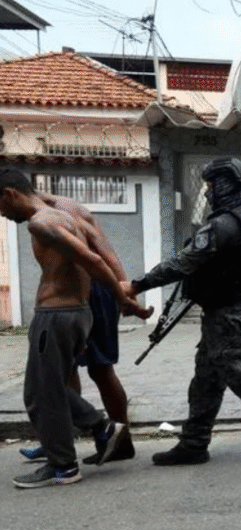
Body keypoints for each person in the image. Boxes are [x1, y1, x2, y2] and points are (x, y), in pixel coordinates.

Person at [124, 157, 241, 465]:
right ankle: (194, 443)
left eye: (211, 186)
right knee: (206, 380)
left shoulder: (223, 225)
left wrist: (138, 285)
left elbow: (182, 263)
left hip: (228, 314)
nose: (208, 192)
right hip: (232, 310)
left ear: (223, 186)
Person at [0, 168, 150, 488]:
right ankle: (97, 432)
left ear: (10, 194)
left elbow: (93, 260)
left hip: (57, 314)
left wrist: (123, 298)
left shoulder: (43, 222)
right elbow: (97, 245)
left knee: (45, 392)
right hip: (75, 313)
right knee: (48, 387)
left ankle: (65, 464)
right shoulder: (65, 211)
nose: (2, 213)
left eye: (0, 206)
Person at [18, 192, 137, 464]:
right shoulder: (38, 214)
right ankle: (58, 440)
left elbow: (102, 253)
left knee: (100, 368)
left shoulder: (64, 209)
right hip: (80, 296)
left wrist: (124, 293)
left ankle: (119, 440)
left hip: (92, 292)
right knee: (63, 372)